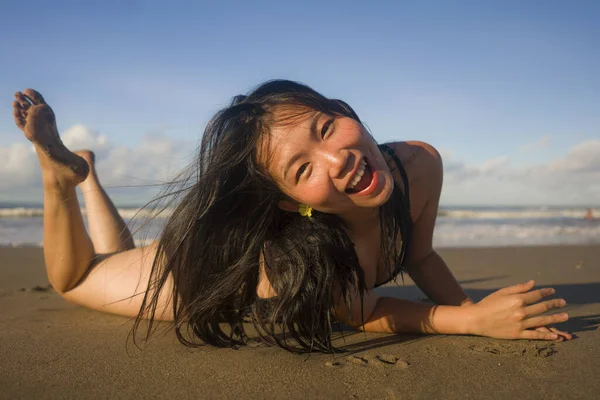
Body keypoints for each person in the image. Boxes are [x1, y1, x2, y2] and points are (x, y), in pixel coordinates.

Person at [12, 81, 572, 353]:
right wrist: (469, 322)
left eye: (326, 129)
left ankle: (88, 177)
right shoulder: (302, 247)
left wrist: (475, 306)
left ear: (342, 111)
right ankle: (59, 180)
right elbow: (365, 311)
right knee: (77, 278)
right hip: (198, 278)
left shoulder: (420, 165)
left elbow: (420, 254)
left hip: (212, 261)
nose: (339, 161)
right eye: (303, 169)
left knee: (113, 257)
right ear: (289, 201)